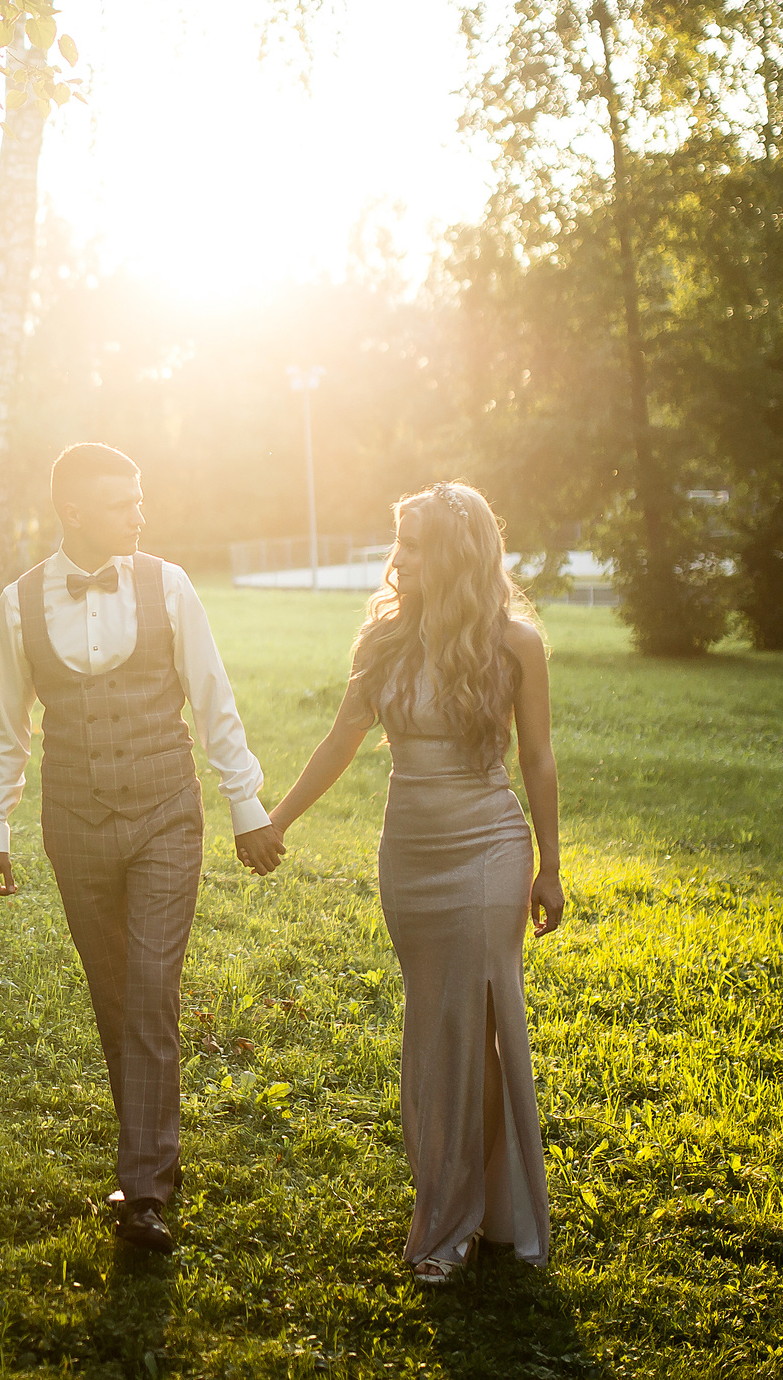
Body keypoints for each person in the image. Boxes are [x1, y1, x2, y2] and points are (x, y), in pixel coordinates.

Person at [240, 479, 563, 1286]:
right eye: (397, 541)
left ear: (455, 553)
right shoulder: (384, 639)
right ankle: (479, 1201)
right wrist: (276, 820)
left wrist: (551, 866)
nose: (396, 558)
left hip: (489, 848)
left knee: (468, 1026)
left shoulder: (516, 641)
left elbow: (538, 760)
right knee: (446, 1030)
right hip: (410, 854)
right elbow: (340, 741)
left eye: (413, 544)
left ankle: (451, 1224)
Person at [0, 442, 277, 1255]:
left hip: (164, 814)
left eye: (141, 499)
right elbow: (8, 729)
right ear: (73, 510)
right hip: (71, 820)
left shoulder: (168, 586)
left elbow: (215, 701)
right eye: (122, 502)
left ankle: (144, 1187)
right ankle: (150, 1155)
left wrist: (247, 806)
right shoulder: (17, 604)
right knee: (115, 995)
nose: (139, 515)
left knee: (149, 985)